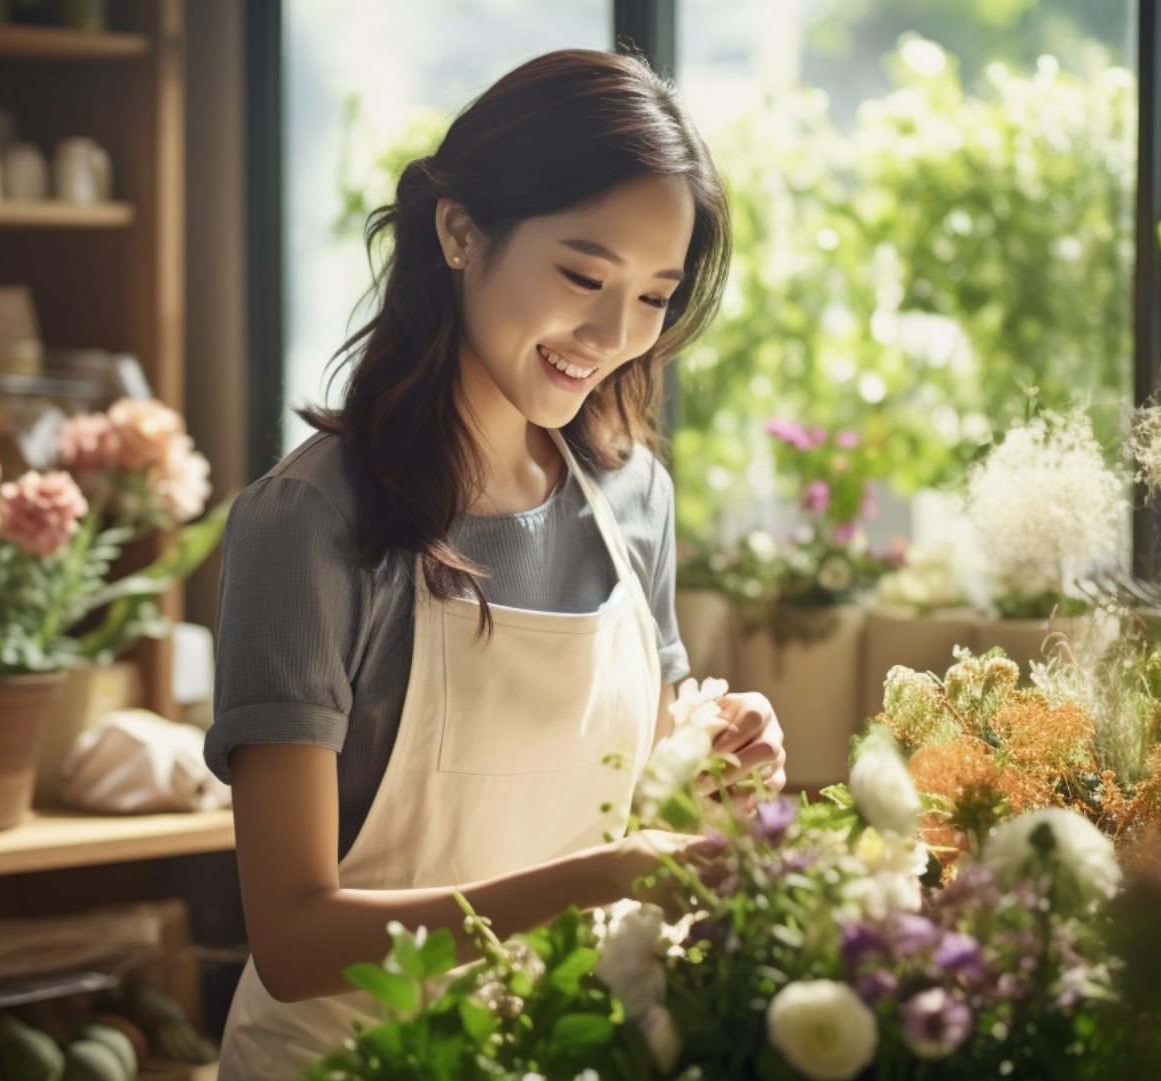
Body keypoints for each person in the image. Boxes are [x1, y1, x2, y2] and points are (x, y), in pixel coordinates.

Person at [206, 48, 787, 1078]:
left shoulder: (632, 497)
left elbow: (636, 802)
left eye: (654, 296)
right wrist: (600, 878)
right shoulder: (307, 522)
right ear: (460, 230)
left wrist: (723, 772)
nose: (612, 335)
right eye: (581, 274)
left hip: (556, 1050)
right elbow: (293, 942)